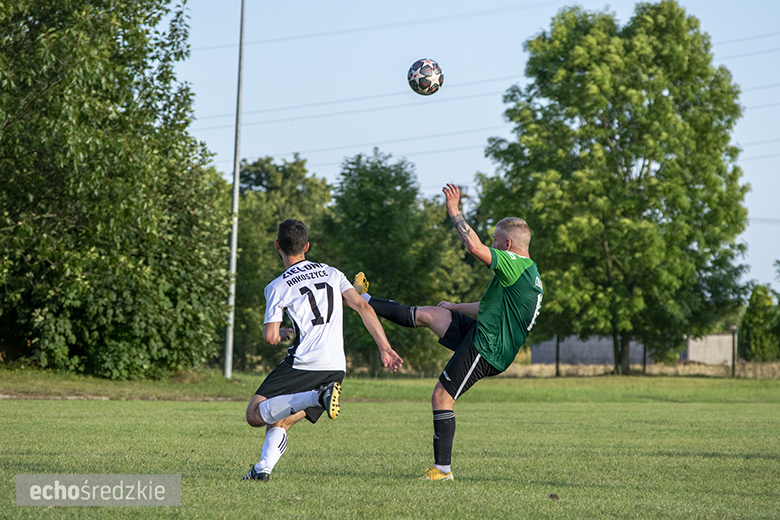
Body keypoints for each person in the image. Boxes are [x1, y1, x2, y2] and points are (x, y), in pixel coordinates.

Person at [354, 183, 543, 481]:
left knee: (442, 397)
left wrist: (454, 210)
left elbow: (473, 247)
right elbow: (488, 309)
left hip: (488, 346)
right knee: (432, 314)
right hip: (484, 331)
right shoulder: (527, 273)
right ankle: (361, 299)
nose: (491, 246)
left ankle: (442, 470)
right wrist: (455, 306)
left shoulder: (515, 262)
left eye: (495, 241)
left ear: (508, 244)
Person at [242, 219, 403, 481]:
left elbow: (270, 337)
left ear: (277, 246)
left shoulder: (277, 286)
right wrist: (385, 348)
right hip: (335, 366)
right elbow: (364, 307)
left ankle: (317, 397)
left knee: (254, 414)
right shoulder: (332, 273)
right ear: (306, 246)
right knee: (280, 419)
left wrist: (279, 332)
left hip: (304, 363)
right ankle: (262, 469)